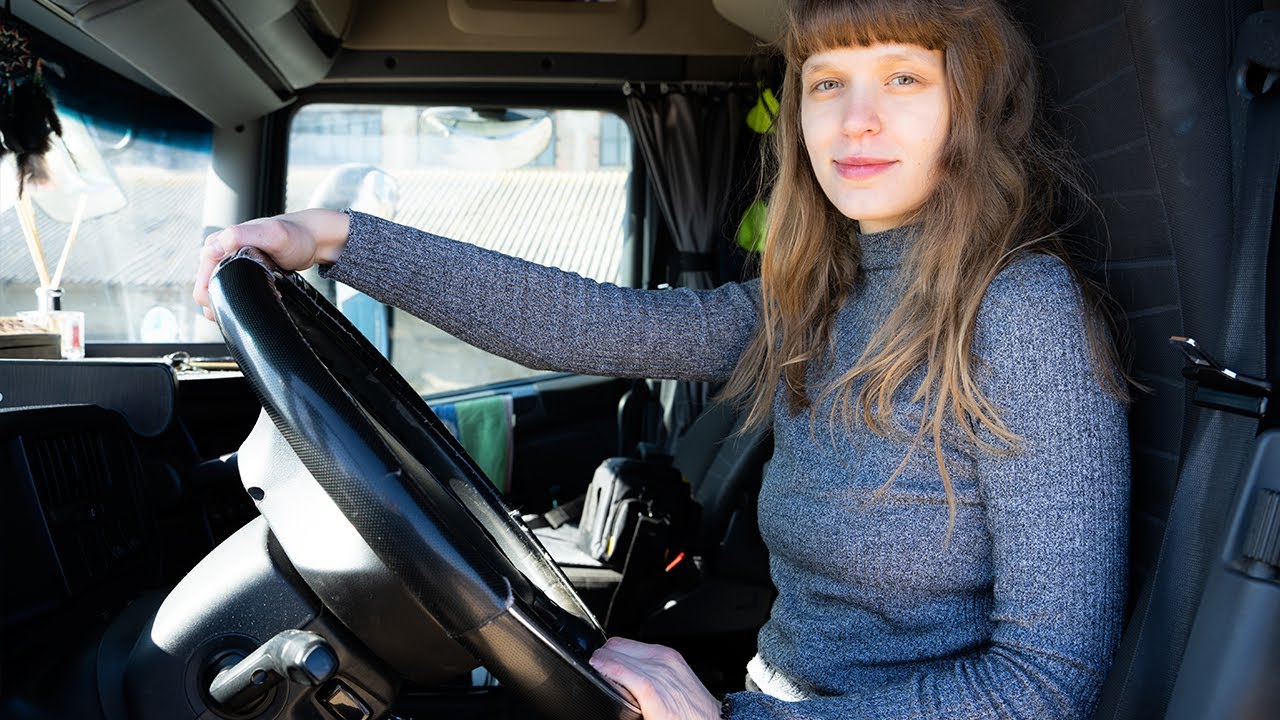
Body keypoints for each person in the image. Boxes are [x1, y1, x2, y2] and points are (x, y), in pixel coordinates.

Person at [193, 0, 1131, 717]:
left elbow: (1042, 687)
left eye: (903, 79)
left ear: (972, 102)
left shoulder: (1020, 312)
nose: (855, 122)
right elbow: (600, 325)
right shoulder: (825, 289)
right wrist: (331, 236)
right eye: (827, 81)